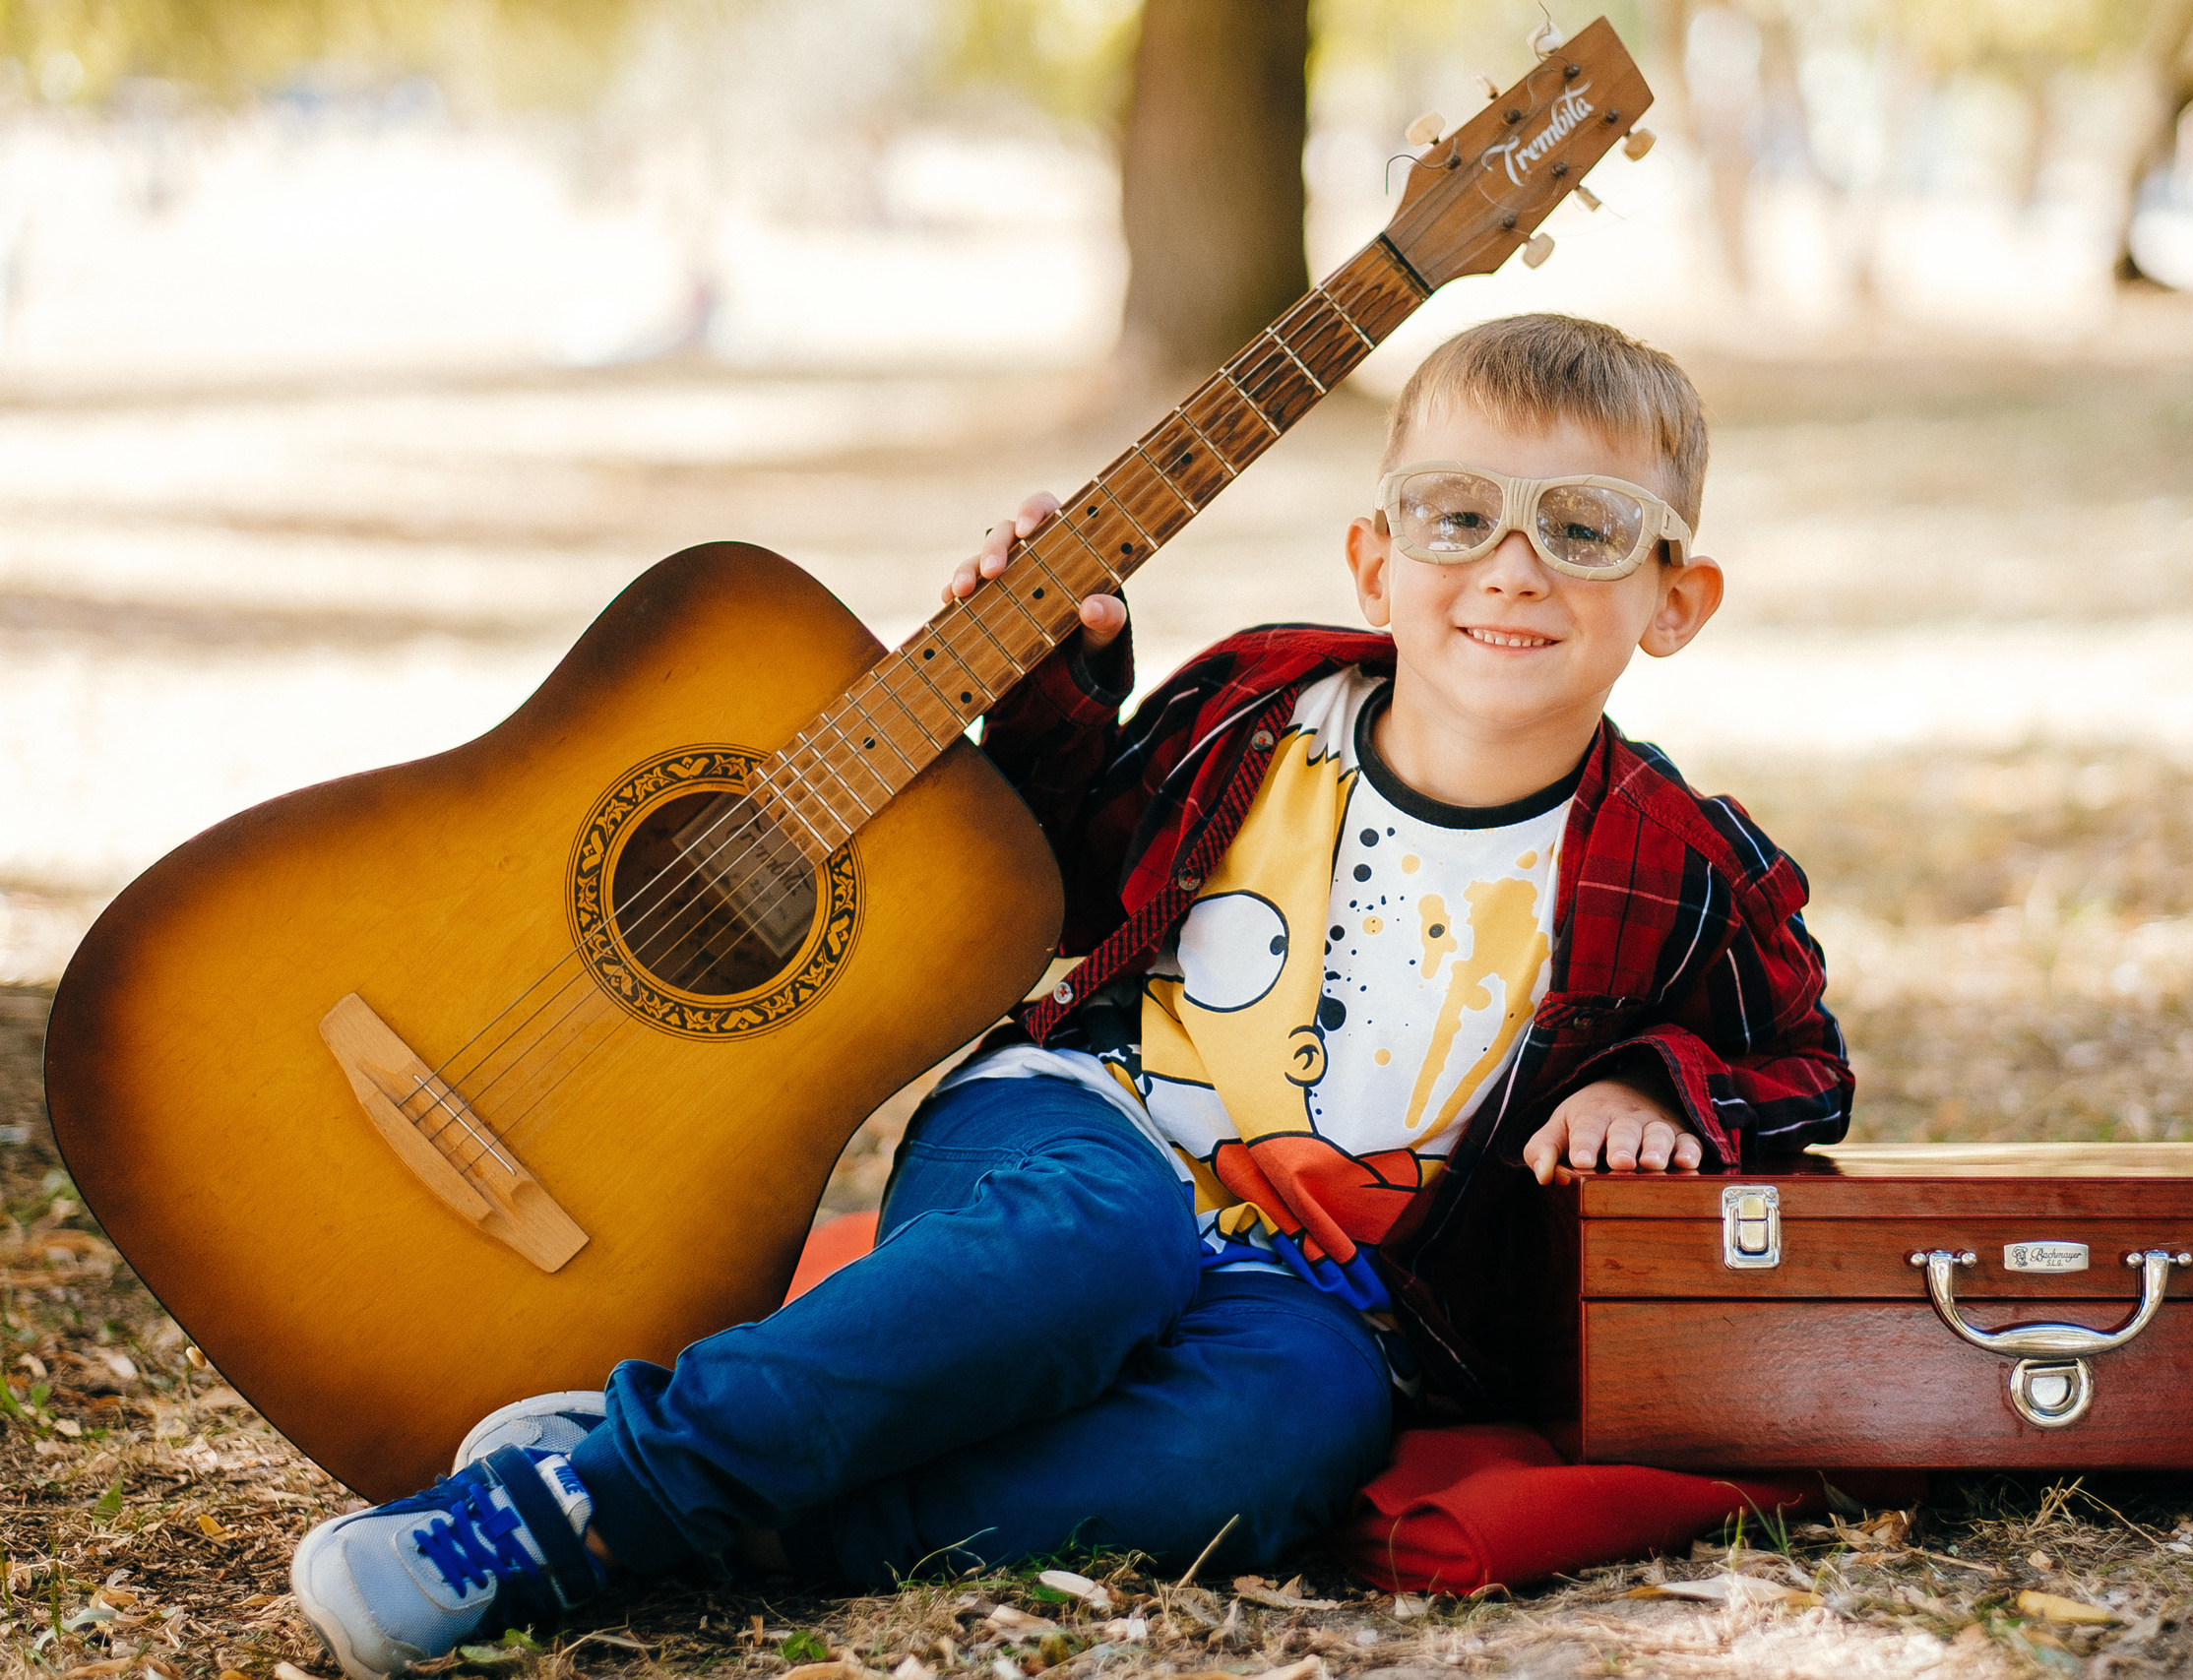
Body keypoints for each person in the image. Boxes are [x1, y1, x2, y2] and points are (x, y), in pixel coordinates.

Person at [288, 313, 1852, 1679]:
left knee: (1291, 1437)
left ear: (1674, 598)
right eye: (1457, 515)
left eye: (1584, 529)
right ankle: (584, 1502)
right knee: (1099, 1244)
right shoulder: (1266, 704)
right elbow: (1067, 869)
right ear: (1377, 557)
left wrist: (1657, 1084)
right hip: (1076, 1134)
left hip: (1317, 1292)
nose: (1511, 568)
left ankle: (717, 1523)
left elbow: (1800, 1056)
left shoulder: (1684, 864)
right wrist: (1053, 670)